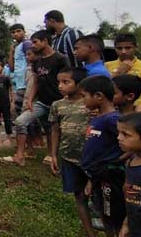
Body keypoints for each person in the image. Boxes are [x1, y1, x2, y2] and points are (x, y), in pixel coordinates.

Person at [0, 30, 70, 167]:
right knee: (20, 121)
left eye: (35, 42)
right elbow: (36, 82)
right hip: (41, 102)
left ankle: (51, 155)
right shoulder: (38, 61)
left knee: (51, 129)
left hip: (58, 102)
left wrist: (66, 100)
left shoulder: (60, 59)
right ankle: (20, 156)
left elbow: (68, 80)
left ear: (45, 41)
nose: (32, 44)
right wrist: (31, 100)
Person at [48, 67, 95, 237]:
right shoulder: (57, 105)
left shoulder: (90, 104)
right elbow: (55, 130)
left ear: (80, 84)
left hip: (91, 159)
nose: (60, 86)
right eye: (59, 82)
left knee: (98, 196)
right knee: (79, 195)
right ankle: (90, 232)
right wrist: (53, 154)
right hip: (68, 157)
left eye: (66, 82)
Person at [80, 76, 125, 236]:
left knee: (113, 217)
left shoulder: (113, 120)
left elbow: (131, 144)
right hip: (98, 176)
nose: (83, 100)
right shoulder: (98, 118)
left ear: (99, 96)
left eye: (84, 96)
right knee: (105, 216)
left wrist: (117, 161)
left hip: (110, 178)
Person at [105, 33, 141, 119]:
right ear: (115, 49)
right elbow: (104, 88)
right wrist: (118, 72)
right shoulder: (107, 66)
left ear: (136, 48)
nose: (123, 51)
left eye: (128, 48)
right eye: (119, 48)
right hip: (118, 112)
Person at [8, 24, 33, 118]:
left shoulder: (26, 44)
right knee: (18, 108)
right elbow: (11, 67)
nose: (16, 34)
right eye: (13, 32)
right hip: (18, 82)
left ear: (24, 31)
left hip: (26, 81)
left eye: (18, 31)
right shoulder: (16, 47)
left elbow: (31, 60)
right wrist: (11, 51)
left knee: (25, 109)